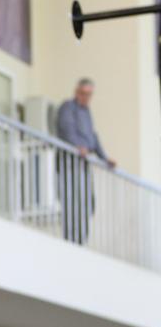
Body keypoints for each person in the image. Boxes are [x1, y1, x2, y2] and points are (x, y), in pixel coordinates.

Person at [56, 79, 115, 244]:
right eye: (83, 93)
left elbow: (92, 137)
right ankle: (71, 239)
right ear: (76, 92)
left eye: (89, 95)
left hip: (83, 164)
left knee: (87, 202)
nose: (85, 97)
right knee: (71, 202)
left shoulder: (87, 112)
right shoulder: (68, 107)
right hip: (69, 163)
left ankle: (81, 239)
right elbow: (66, 129)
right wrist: (77, 146)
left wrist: (104, 157)